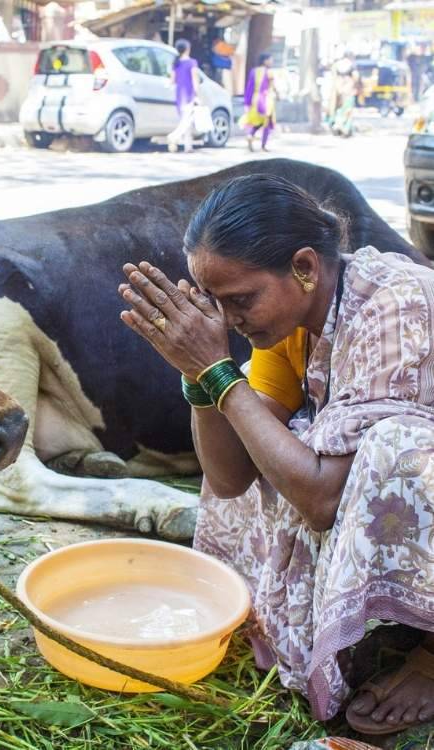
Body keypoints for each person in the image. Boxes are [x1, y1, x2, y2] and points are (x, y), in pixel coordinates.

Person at [118, 174, 434, 736]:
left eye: (239, 300)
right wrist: (200, 378)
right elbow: (228, 478)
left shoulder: (396, 302)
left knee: (392, 450)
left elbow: (322, 498)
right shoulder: (293, 325)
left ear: (305, 268)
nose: (226, 320)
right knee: (262, 433)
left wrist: (220, 375)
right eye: (213, 302)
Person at [167, 39, 199, 154]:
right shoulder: (192, 63)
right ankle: (173, 136)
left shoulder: (176, 63)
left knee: (186, 121)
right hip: (189, 94)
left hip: (179, 94)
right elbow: (195, 80)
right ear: (187, 49)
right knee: (187, 121)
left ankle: (188, 147)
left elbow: (172, 81)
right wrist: (197, 95)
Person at [240, 53, 276, 152]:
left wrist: (247, 102)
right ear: (265, 61)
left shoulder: (253, 71)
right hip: (266, 100)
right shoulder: (269, 72)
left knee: (257, 122)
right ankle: (263, 145)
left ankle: (250, 135)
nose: (271, 62)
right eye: (270, 59)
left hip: (255, 99)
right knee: (266, 123)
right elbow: (272, 87)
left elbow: (249, 88)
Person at [330, 56, 360, 138]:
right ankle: (345, 129)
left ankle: (336, 125)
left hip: (338, 88)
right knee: (348, 110)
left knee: (338, 108)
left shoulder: (336, 65)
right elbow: (356, 76)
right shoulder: (351, 65)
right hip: (348, 90)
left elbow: (333, 75)